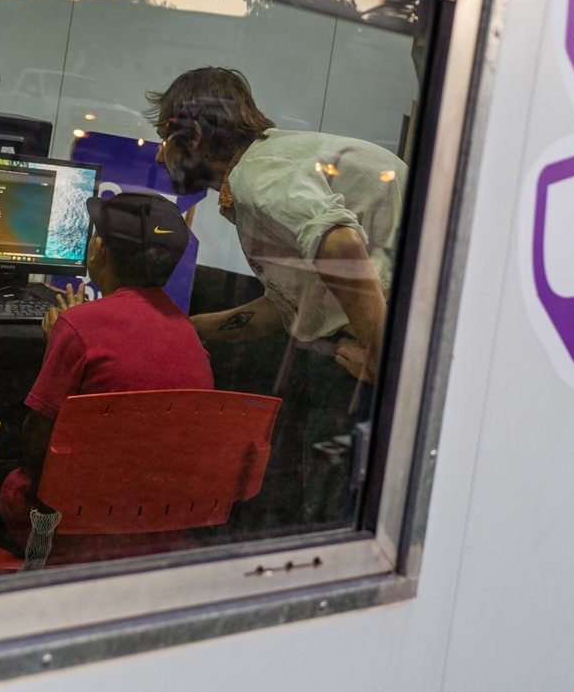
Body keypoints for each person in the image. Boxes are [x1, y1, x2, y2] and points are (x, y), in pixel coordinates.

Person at [145, 66, 405, 523]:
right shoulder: (268, 166)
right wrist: (184, 331)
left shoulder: (258, 176)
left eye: (164, 138)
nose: (159, 153)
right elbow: (286, 306)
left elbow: (340, 244)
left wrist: (383, 363)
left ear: (194, 135)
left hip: (376, 359)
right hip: (377, 342)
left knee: (331, 518)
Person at [0, 191, 212, 554]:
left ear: (99, 250)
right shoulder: (190, 336)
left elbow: (36, 447)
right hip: (154, 521)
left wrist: (62, 339)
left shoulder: (78, 327)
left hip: (73, 521)